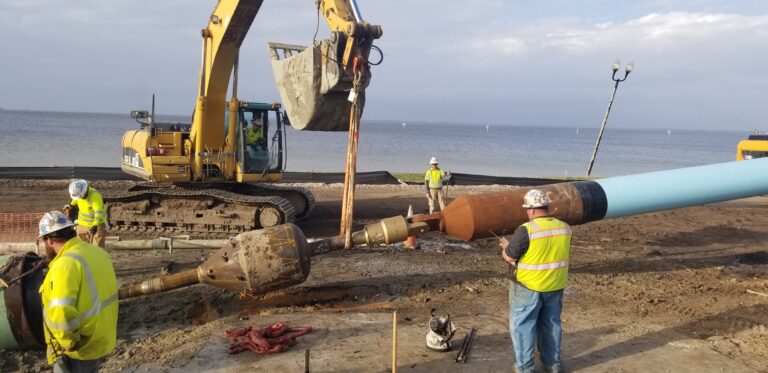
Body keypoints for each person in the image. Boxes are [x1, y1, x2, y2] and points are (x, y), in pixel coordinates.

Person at [499, 189, 572, 373]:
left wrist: (506, 247)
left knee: (523, 326)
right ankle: (553, 364)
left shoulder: (527, 230)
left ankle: (525, 368)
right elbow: (548, 252)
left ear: (531, 210)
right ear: (547, 206)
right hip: (555, 286)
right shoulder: (564, 227)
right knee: (551, 324)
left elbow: (509, 256)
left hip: (527, 287)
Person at [38, 210, 118, 373]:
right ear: (72, 231)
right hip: (101, 338)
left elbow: (61, 312)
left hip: (79, 349)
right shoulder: (98, 253)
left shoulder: (64, 265)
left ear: (48, 240)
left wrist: (68, 343)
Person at [64, 179, 106, 249]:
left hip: (95, 226)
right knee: (82, 248)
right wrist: (70, 205)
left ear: (85, 191)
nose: (80, 198)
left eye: (81, 196)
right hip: (82, 225)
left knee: (97, 249)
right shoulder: (79, 194)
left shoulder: (95, 196)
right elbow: (76, 199)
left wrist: (95, 225)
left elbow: (99, 212)